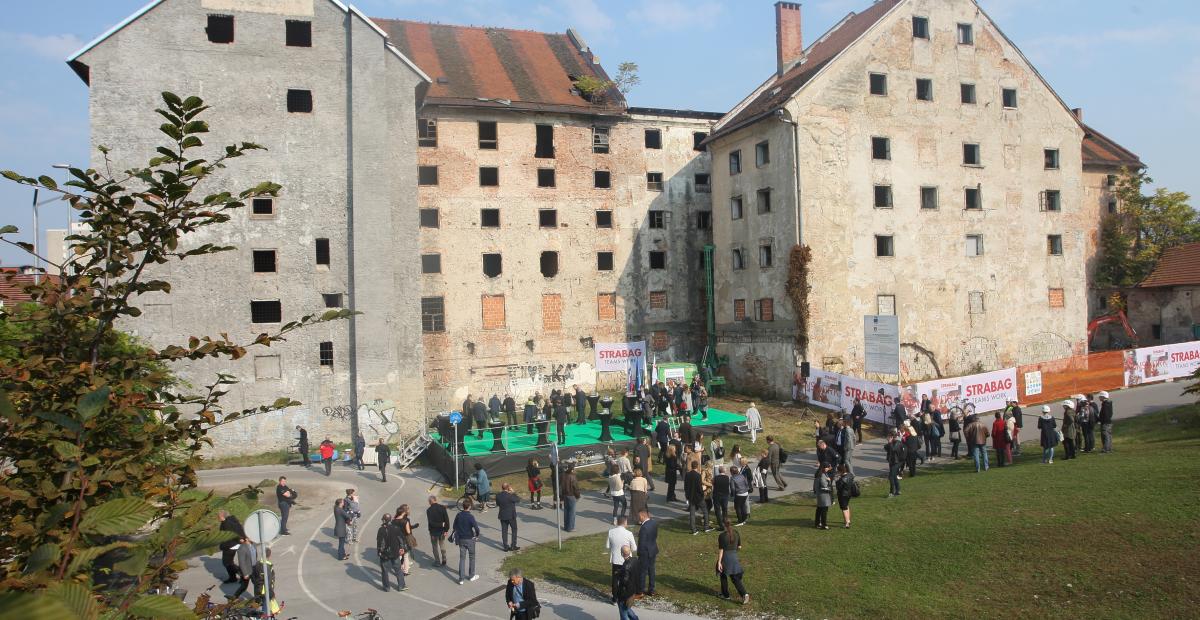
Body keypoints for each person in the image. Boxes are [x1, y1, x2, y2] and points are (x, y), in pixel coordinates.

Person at [716, 518, 749, 604]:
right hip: (734, 556)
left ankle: (725, 595)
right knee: (735, 577)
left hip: (725, 557)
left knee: (723, 575)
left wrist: (719, 562)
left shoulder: (722, 536)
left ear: (724, 524)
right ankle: (744, 594)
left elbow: (721, 550)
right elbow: (739, 547)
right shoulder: (736, 533)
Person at [605, 516, 637, 603]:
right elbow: (634, 548)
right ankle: (626, 597)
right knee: (627, 579)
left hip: (615, 559)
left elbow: (607, 546)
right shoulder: (629, 533)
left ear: (617, 522)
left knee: (615, 579)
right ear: (625, 522)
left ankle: (615, 598)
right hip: (626, 560)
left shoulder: (611, 532)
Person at [450, 498, 481, 584]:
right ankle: (471, 575)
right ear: (469, 506)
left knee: (462, 558)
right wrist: (477, 535)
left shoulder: (458, 515)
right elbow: (476, 528)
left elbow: (454, 526)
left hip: (461, 539)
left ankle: (461, 579)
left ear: (463, 506)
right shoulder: (470, 517)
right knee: (472, 557)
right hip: (470, 539)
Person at [377, 514, 407, 592]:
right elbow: (401, 539)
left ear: (383, 520)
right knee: (398, 570)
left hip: (385, 554)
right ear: (390, 520)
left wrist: (379, 551)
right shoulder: (396, 528)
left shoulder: (381, 530)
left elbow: (380, 542)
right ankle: (401, 586)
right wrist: (402, 548)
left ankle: (387, 587)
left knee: (384, 571)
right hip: (395, 552)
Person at [217, 510, 245, 583]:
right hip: (234, 544)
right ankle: (233, 577)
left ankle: (242, 574)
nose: (217, 517)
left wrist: (240, 539)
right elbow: (239, 530)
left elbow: (233, 533)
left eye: (218, 516)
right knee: (228, 562)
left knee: (227, 562)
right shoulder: (232, 521)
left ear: (222, 516)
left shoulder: (227, 524)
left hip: (230, 545)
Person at [636, 510, 658, 596]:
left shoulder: (644, 527)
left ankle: (640, 590)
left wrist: (639, 553)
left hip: (645, 552)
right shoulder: (653, 522)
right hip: (653, 549)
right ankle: (651, 589)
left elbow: (642, 543)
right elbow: (654, 535)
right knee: (651, 570)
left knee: (642, 571)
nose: (638, 519)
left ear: (642, 516)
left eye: (639, 517)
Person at [616, 545, 641, 620]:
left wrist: (619, 575)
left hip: (624, 594)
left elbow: (624, 581)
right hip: (632, 591)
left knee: (623, 613)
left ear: (621, 553)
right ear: (630, 552)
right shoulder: (635, 560)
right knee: (627, 608)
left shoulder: (626, 566)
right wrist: (621, 571)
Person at [393, 504, 419, 575]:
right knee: (405, 555)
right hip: (404, 540)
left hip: (396, 539)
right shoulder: (405, 521)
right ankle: (405, 571)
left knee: (399, 555)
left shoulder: (394, 520)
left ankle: (400, 568)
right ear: (404, 512)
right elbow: (408, 532)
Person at [426, 495, 450, 567]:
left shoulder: (429, 510)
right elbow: (447, 520)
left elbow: (431, 523)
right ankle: (444, 559)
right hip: (442, 531)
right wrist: (446, 529)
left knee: (435, 547)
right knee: (442, 545)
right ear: (435, 500)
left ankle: (437, 561)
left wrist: (440, 525)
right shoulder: (442, 508)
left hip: (433, 532)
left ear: (430, 502)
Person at [834, 463, 856, 528]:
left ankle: (847, 523)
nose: (837, 472)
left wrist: (837, 480)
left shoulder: (841, 479)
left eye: (838, 471)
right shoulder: (850, 475)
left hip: (842, 495)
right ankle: (848, 520)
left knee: (844, 509)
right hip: (849, 493)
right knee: (847, 506)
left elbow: (838, 487)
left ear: (840, 471)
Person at [812, 462, 833, 530]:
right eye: (827, 467)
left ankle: (817, 523)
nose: (828, 469)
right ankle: (824, 525)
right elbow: (824, 485)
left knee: (819, 509)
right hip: (824, 495)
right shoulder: (823, 475)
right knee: (824, 510)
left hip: (819, 494)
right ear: (824, 467)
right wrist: (829, 481)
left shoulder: (818, 473)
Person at [884, 431, 904, 497]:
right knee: (894, 476)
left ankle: (891, 492)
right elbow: (886, 448)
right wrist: (889, 443)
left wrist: (889, 442)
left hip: (897, 462)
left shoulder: (897, 443)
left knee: (891, 477)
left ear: (892, 437)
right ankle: (898, 490)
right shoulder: (892, 443)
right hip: (892, 462)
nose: (887, 437)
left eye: (889, 436)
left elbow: (893, 449)